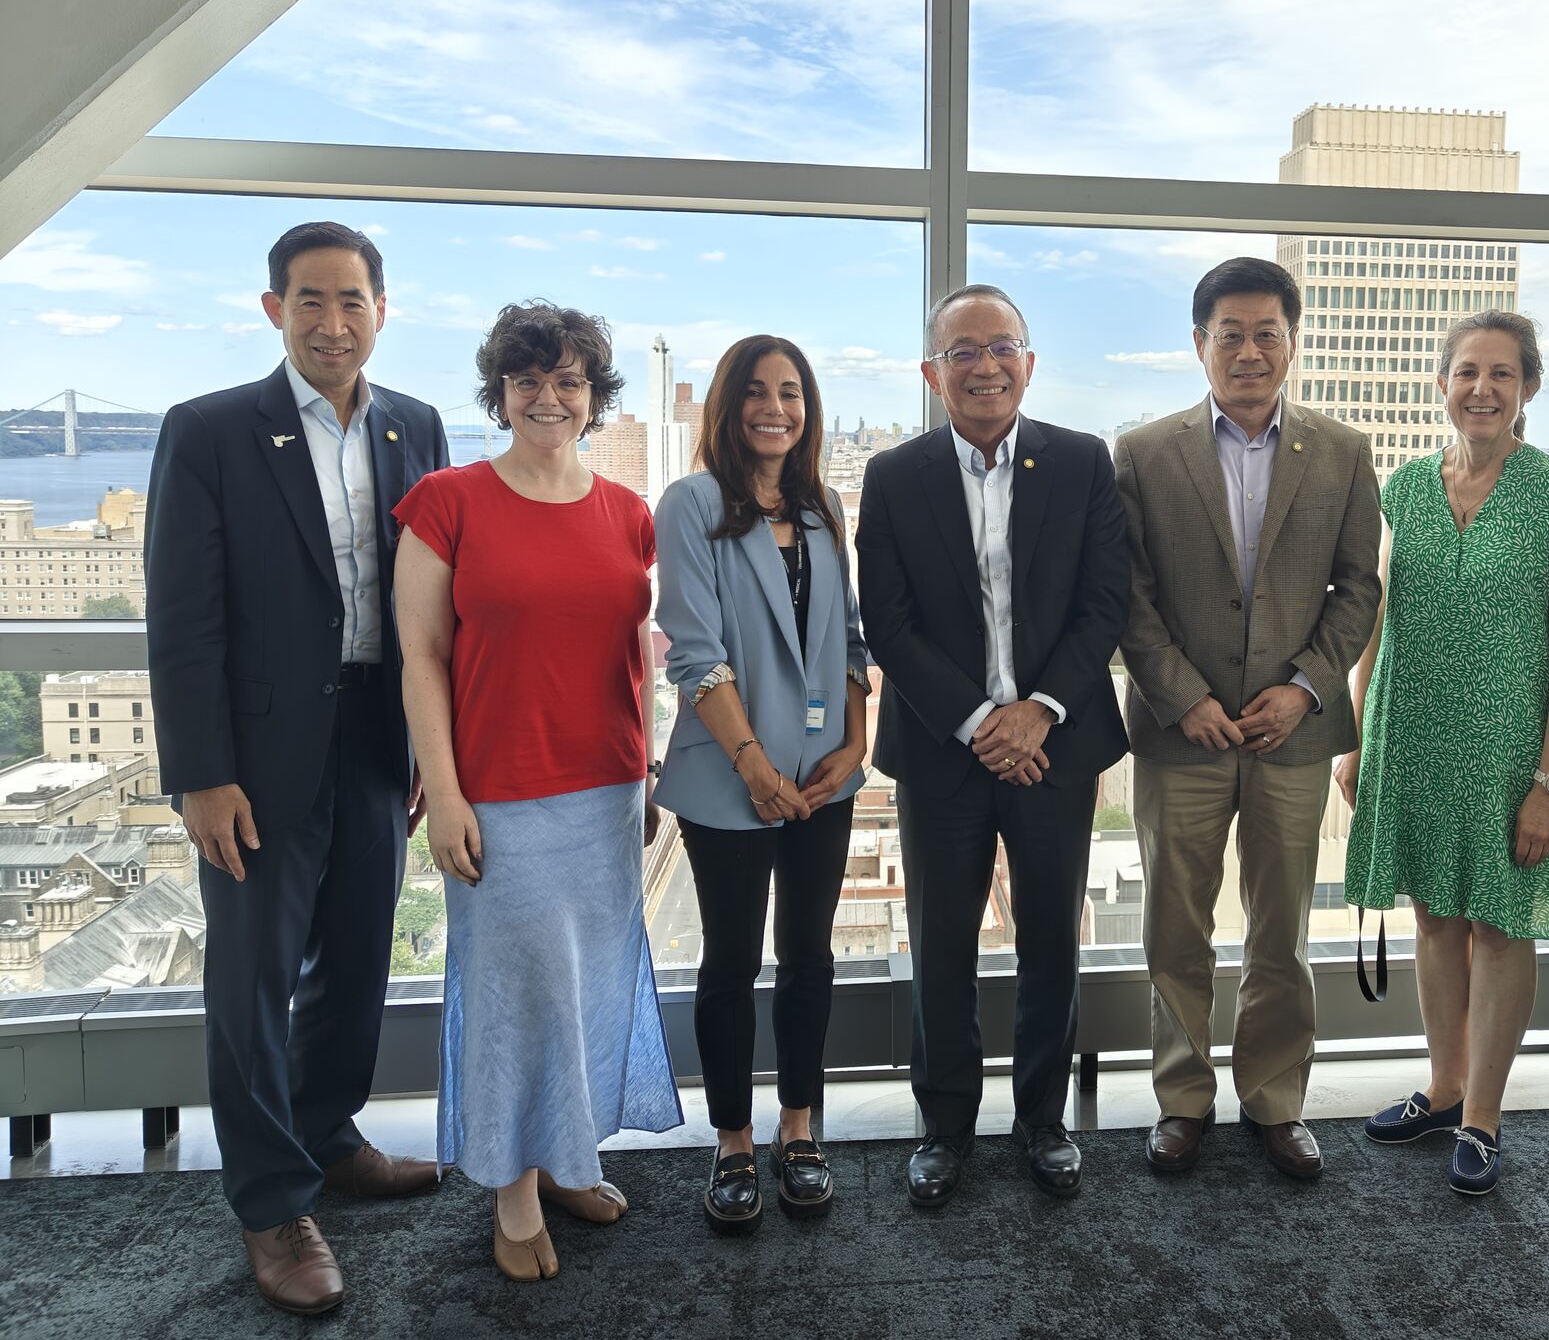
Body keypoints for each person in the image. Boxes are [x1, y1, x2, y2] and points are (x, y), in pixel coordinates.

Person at [145, 222, 448, 1315]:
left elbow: (433, 604)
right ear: (274, 309)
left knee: (358, 961)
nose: (333, 322)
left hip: (378, 738)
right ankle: (271, 1204)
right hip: (257, 762)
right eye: (311, 301)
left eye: (353, 300)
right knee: (252, 982)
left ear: (381, 309)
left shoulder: (416, 427)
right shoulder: (212, 430)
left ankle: (326, 1138)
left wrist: (428, 743)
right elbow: (180, 621)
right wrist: (200, 773)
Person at [392, 300, 681, 1281]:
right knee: (515, 997)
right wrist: (444, 788)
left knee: (588, 988)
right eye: (528, 380)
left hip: (602, 791)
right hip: (498, 795)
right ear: (500, 393)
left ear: (595, 398)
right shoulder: (447, 501)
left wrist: (641, 774)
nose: (548, 398)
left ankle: (566, 1157)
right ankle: (513, 1193)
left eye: (568, 381)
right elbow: (422, 658)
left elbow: (631, 661)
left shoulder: (629, 515)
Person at [856, 284, 1130, 1208]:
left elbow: (1105, 604)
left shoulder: (1085, 462)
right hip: (945, 749)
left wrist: (1040, 710)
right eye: (963, 352)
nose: (985, 366)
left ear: (1030, 362)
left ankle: (1043, 1121)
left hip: (1055, 744)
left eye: (1001, 346)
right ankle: (944, 1126)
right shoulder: (896, 476)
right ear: (934, 373)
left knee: (1052, 939)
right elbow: (887, 624)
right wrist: (981, 722)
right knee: (943, 945)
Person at [1115, 256, 1382, 1182]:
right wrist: (1182, 696)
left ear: (1292, 342)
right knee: (1174, 929)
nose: (1250, 350)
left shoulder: (1344, 452)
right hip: (1178, 732)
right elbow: (1129, 596)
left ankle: (1275, 1102)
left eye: (1268, 332)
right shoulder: (1143, 452)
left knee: (1283, 929)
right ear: (1199, 345)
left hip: (1293, 734)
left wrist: (1307, 685)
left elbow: (1360, 590)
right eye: (1230, 333)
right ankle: (1182, 1100)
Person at [1336, 310, 1549, 1197]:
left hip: (1509, 751)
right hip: (1411, 736)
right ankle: (1444, 1090)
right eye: (1466, 373)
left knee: (1499, 923)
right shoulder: (1404, 488)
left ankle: (1483, 1118)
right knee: (1434, 918)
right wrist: (1357, 737)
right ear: (1440, 385)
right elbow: (1372, 625)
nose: (1482, 388)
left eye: (1502, 374)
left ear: (1527, 389)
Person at [653, 336, 870, 1233]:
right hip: (729, 777)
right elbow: (695, 659)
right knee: (733, 962)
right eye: (756, 392)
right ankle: (735, 1140)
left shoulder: (822, 510)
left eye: (791, 393)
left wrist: (859, 743)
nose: (775, 408)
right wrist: (752, 768)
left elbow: (850, 641)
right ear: (727, 406)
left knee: (811, 957)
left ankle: (800, 1128)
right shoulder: (692, 504)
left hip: (823, 778)